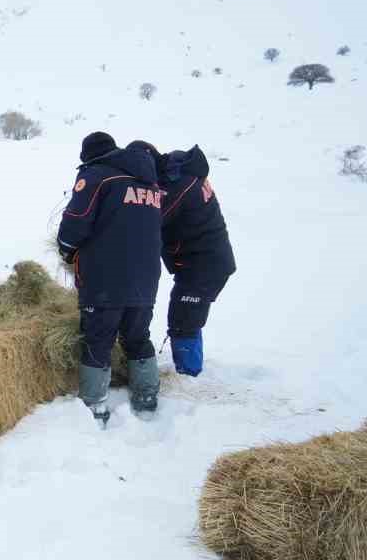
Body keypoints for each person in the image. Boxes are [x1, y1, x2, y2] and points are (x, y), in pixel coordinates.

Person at [56, 132, 163, 423]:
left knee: (98, 340)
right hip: (146, 276)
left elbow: (76, 222)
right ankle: (147, 397)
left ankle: (94, 405)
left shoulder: (96, 176)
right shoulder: (150, 182)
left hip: (106, 276)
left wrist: (65, 247)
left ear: (88, 156)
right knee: (138, 336)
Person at [158, 146, 236, 376]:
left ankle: (188, 374)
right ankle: (190, 366)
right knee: (187, 313)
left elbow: (155, 218)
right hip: (204, 261)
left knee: (184, 319)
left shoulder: (183, 186)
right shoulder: (190, 178)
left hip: (204, 264)